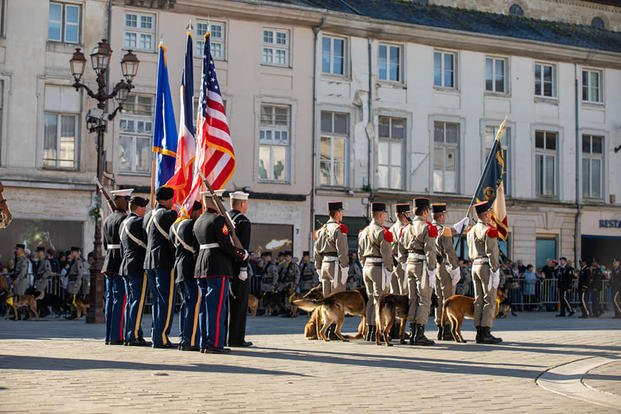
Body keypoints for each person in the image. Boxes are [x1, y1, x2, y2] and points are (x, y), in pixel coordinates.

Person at [193, 191, 248, 354]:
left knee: (204, 307)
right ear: (215, 202)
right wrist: (241, 254)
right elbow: (224, 245)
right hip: (217, 267)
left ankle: (204, 342)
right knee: (216, 308)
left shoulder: (199, 221)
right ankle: (215, 343)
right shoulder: (218, 220)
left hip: (201, 267)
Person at [398, 198, 437, 346]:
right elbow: (430, 250)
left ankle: (413, 330)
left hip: (410, 264)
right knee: (424, 299)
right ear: (425, 211)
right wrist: (432, 268)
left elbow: (400, 249)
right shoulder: (427, 227)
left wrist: (403, 262)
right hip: (422, 265)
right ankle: (419, 333)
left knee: (412, 299)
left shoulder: (406, 228)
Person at [144, 186, 178, 348]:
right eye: (171, 199)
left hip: (149, 261)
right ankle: (162, 337)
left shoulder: (148, 216)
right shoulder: (169, 215)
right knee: (167, 301)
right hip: (164, 262)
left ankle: (155, 334)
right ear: (168, 200)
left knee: (158, 301)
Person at [467, 200, 502, 344]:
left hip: (475, 265)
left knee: (479, 299)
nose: (491, 216)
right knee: (489, 299)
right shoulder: (489, 230)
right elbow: (492, 252)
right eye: (490, 214)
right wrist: (495, 270)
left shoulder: (471, 230)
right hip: (486, 266)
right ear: (485, 214)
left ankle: (479, 331)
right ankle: (486, 330)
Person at [358, 202, 394, 342]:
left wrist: (364, 265)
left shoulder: (364, 232)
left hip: (366, 266)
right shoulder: (382, 232)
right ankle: (377, 331)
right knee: (380, 300)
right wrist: (390, 269)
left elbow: (360, 253)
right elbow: (387, 254)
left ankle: (370, 330)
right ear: (380, 214)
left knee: (371, 299)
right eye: (384, 214)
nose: (385, 216)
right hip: (378, 267)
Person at [170, 200, 202, 351]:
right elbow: (196, 248)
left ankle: (184, 337)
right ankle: (191, 340)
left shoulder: (174, 225)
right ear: (194, 211)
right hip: (190, 267)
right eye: (199, 212)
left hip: (179, 268)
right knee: (193, 304)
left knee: (186, 304)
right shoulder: (191, 225)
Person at [102, 188, 132, 345]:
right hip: (120, 261)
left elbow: (105, 244)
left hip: (109, 261)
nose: (128, 204)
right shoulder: (124, 219)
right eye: (127, 200)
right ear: (122, 201)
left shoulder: (107, 219)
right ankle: (116, 336)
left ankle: (109, 335)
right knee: (120, 299)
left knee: (110, 299)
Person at [119, 195, 150, 347]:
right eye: (144, 207)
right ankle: (134, 335)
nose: (145, 209)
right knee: (137, 301)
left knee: (131, 302)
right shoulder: (138, 222)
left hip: (125, 265)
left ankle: (129, 333)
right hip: (137, 266)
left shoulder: (124, 222)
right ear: (138, 208)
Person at [431, 203, 464, 341]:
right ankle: (447, 328)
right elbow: (449, 250)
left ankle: (439, 326)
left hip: (435, 266)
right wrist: (455, 267)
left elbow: (448, 232)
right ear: (441, 216)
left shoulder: (429, 228)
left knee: (439, 298)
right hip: (446, 266)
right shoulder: (444, 230)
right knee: (448, 298)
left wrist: (460, 225)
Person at [227, 191, 253, 348]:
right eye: (246, 203)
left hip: (226, 267)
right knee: (240, 303)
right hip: (238, 269)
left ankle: (225, 336)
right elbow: (243, 248)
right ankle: (236, 338)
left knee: (227, 304)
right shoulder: (243, 221)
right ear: (242, 204)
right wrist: (243, 268)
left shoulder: (224, 218)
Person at [314, 201, 349, 297]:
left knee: (327, 300)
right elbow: (343, 251)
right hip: (335, 266)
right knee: (338, 299)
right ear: (337, 213)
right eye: (341, 212)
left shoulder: (320, 231)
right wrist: (345, 267)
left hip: (324, 265)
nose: (342, 214)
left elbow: (316, 252)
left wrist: (318, 267)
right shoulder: (339, 228)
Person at [389, 204, 411, 295]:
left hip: (394, 263)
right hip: (403, 263)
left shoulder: (391, 228)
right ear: (404, 214)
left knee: (394, 293)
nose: (409, 216)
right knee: (404, 294)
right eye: (408, 213)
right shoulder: (405, 229)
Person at [276, 251, 300, 315]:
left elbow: (297, 275)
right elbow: (277, 271)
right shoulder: (282, 264)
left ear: (291, 257)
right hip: (283, 283)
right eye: (286, 256)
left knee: (291, 297)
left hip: (291, 283)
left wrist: (296, 283)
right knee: (282, 296)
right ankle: (286, 310)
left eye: (288, 256)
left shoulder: (294, 265)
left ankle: (292, 311)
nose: (287, 258)